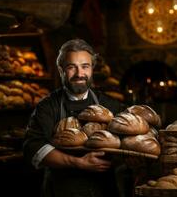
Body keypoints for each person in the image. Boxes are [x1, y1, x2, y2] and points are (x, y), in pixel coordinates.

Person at [23, 38, 127, 197]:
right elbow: (33, 148)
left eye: (85, 66)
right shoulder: (47, 106)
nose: (80, 74)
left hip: (104, 189)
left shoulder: (110, 105)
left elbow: (128, 144)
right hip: (61, 189)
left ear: (92, 69)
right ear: (61, 70)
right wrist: (79, 163)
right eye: (72, 67)